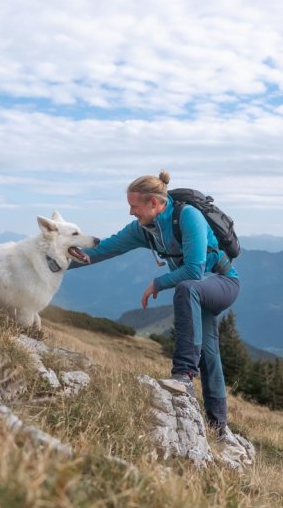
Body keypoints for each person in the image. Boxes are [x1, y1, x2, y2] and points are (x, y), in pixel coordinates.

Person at [71, 170, 240, 433]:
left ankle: (183, 375)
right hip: (196, 289)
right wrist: (51, 263)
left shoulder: (188, 216)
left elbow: (195, 270)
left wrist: (157, 284)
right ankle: (219, 427)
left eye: (134, 206)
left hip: (223, 283)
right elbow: (101, 250)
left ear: (153, 202)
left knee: (186, 288)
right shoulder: (144, 230)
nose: (131, 213)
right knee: (209, 353)